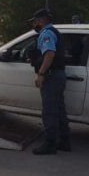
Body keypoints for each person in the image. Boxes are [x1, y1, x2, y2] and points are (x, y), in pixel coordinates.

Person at [29, 9, 70, 155]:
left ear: (41, 20)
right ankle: (64, 141)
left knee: (50, 111)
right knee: (59, 109)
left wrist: (41, 74)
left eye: (35, 21)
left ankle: (50, 144)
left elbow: (50, 53)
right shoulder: (54, 32)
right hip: (58, 75)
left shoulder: (47, 33)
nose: (34, 24)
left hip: (51, 77)